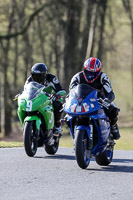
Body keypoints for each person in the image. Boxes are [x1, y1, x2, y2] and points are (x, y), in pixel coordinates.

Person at [69, 57, 120, 140]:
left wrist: (107, 100)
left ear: (99, 71)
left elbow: (110, 93)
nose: (90, 75)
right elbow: (71, 91)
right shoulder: (77, 77)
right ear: (84, 69)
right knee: (67, 113)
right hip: (82, 101)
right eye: (88, 72)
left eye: (93, 73)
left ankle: (113, 127)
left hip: (99, 100)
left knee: (113, 109)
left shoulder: (103, 77)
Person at [25, 63, 66, 135]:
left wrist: (57, 94)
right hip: (36, 99)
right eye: (34, 75)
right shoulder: (29, 79)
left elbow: (60, 89)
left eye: (39, 76)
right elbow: (26, 90)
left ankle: (57, 126)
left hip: (49, 98)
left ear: (44, 75)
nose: (36, 78)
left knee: (58, 103)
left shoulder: (52, 78)